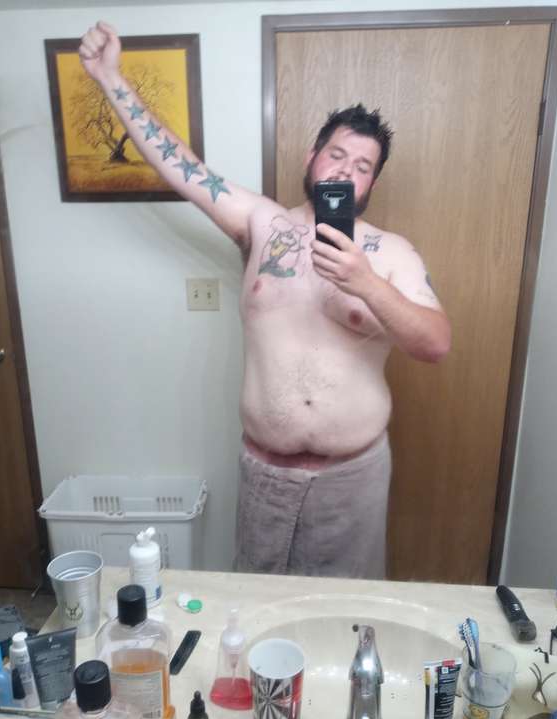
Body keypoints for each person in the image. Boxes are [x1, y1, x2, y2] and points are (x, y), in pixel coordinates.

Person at [79, 22, 451, 579]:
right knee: (257, 608)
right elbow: (182, 169)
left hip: (351, 480)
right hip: (264, 476)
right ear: (311, 157)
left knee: (342, 614)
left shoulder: (391, 253)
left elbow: (436, 343)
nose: (345, 171)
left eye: (362, 166)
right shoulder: (260, 222)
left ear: (372, 183)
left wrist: (366, 283)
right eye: (336, 155)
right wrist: (110, 78)